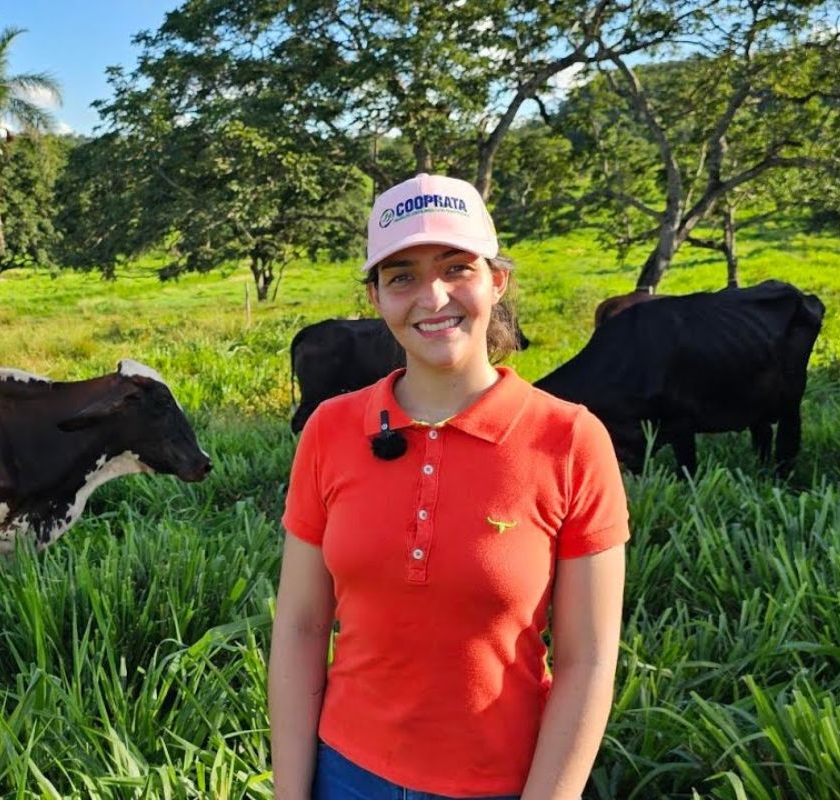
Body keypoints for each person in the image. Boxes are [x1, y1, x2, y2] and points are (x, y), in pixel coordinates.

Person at [269, 173, 629, 799]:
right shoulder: (330, 430)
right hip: (345, 773)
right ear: (377, 297)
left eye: (457, 267)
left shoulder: (570, 440)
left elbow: (587, 661)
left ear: (497, 280)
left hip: (501, 782)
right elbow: (301, 626)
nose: (433, 298)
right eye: (402, 275)